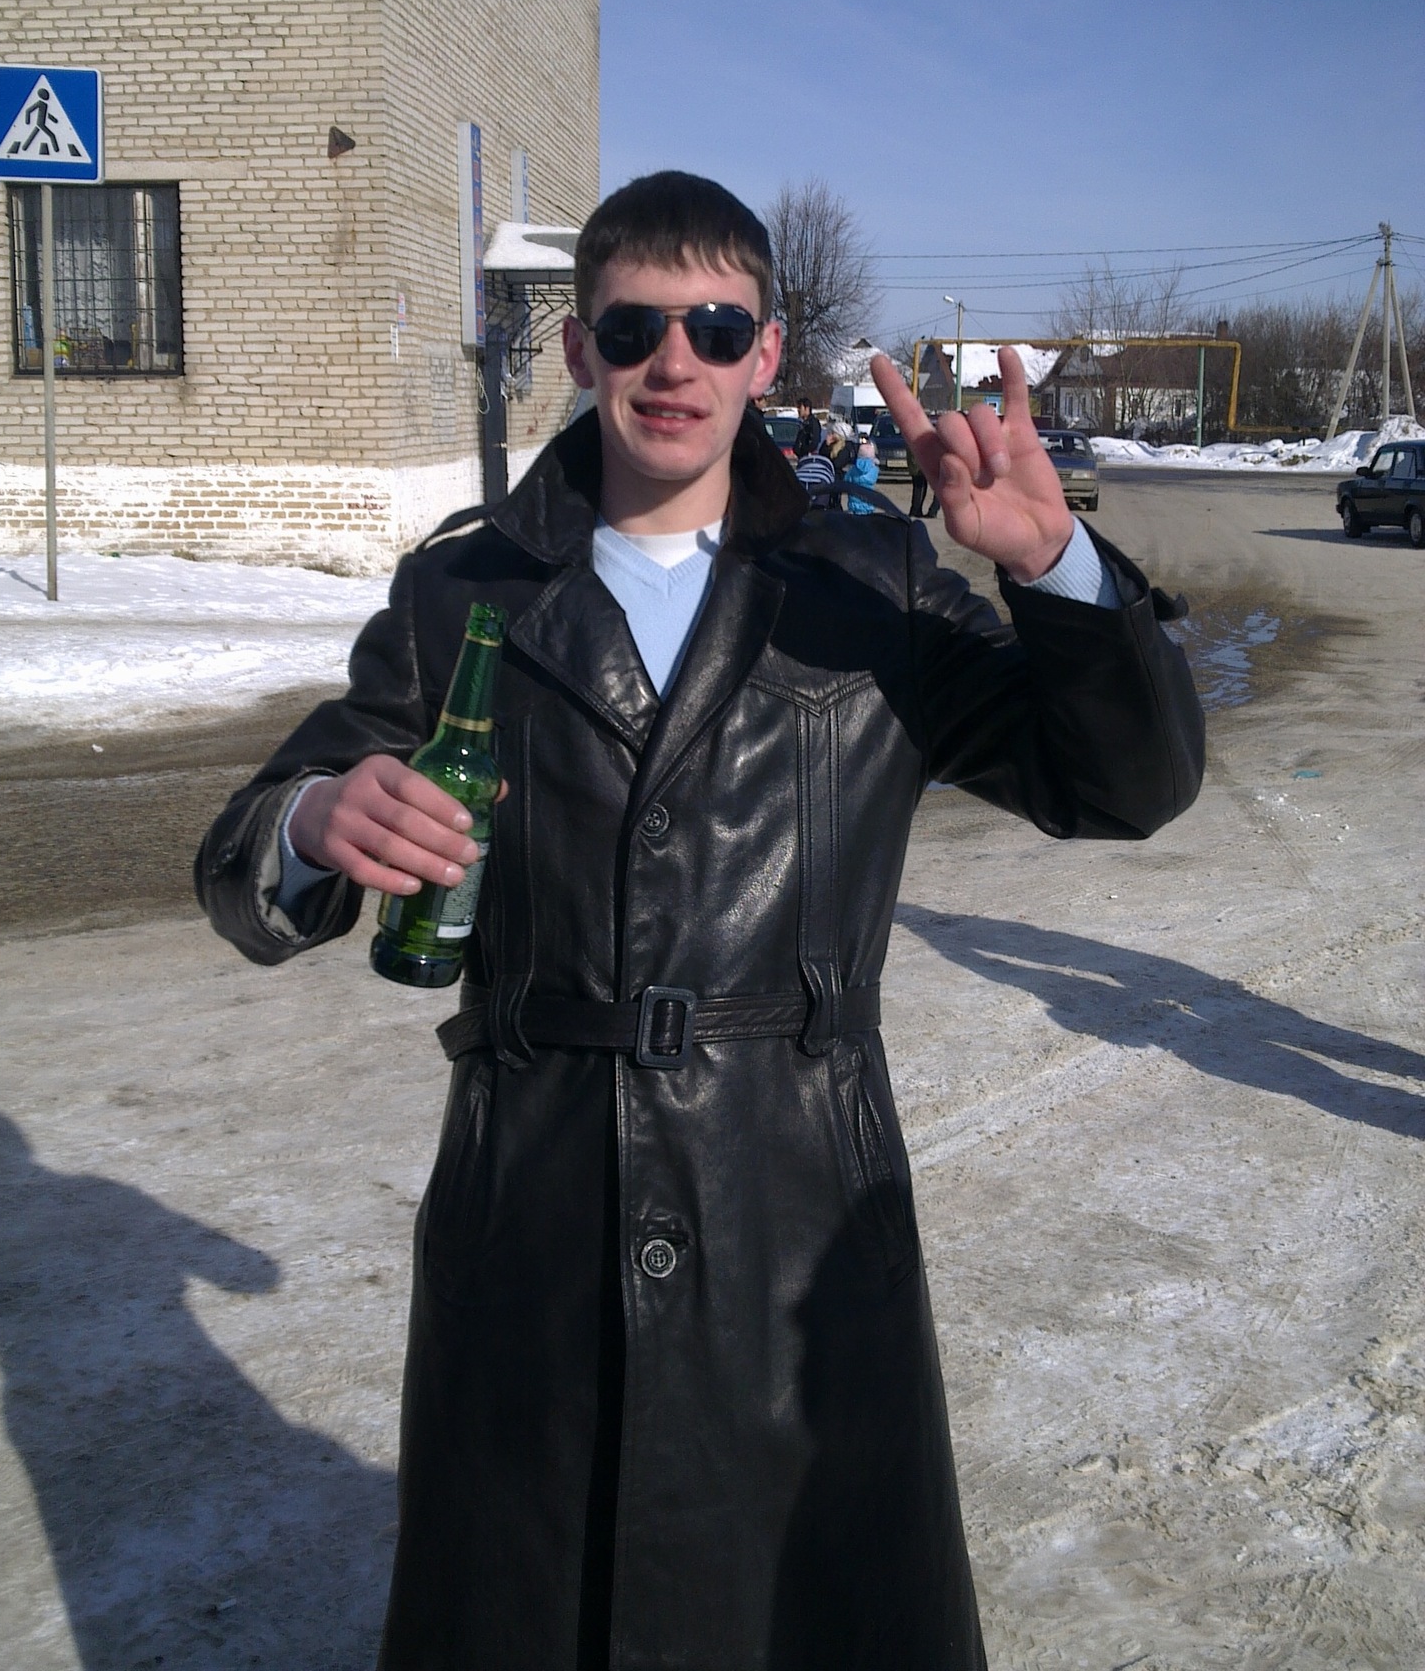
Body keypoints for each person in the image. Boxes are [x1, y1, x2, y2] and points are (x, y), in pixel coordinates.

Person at [196, 170, 1204, 1671]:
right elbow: (248, 871)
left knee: (806, 1614)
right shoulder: (462, 590)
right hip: (534, 1215)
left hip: (798, 1220)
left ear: (766, 352)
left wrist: (1052, 571)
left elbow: (1126, 786)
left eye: (717, 327)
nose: (675, 362)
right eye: (634, 327)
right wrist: (311, 818)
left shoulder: (868, 584)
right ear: (578, 347)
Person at [845, 435, 879, 514]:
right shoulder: (874, 469)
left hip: (854, 501)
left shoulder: (853, 469)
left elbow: (847, 479)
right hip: (868, 501)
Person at [792, 397, 824, 461]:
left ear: (807, 408)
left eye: (800, 407)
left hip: (808, 458)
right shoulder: (804, 423)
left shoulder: (813, 423)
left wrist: (804, 451)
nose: (798, 410)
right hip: (801, 457)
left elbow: (814, 442)